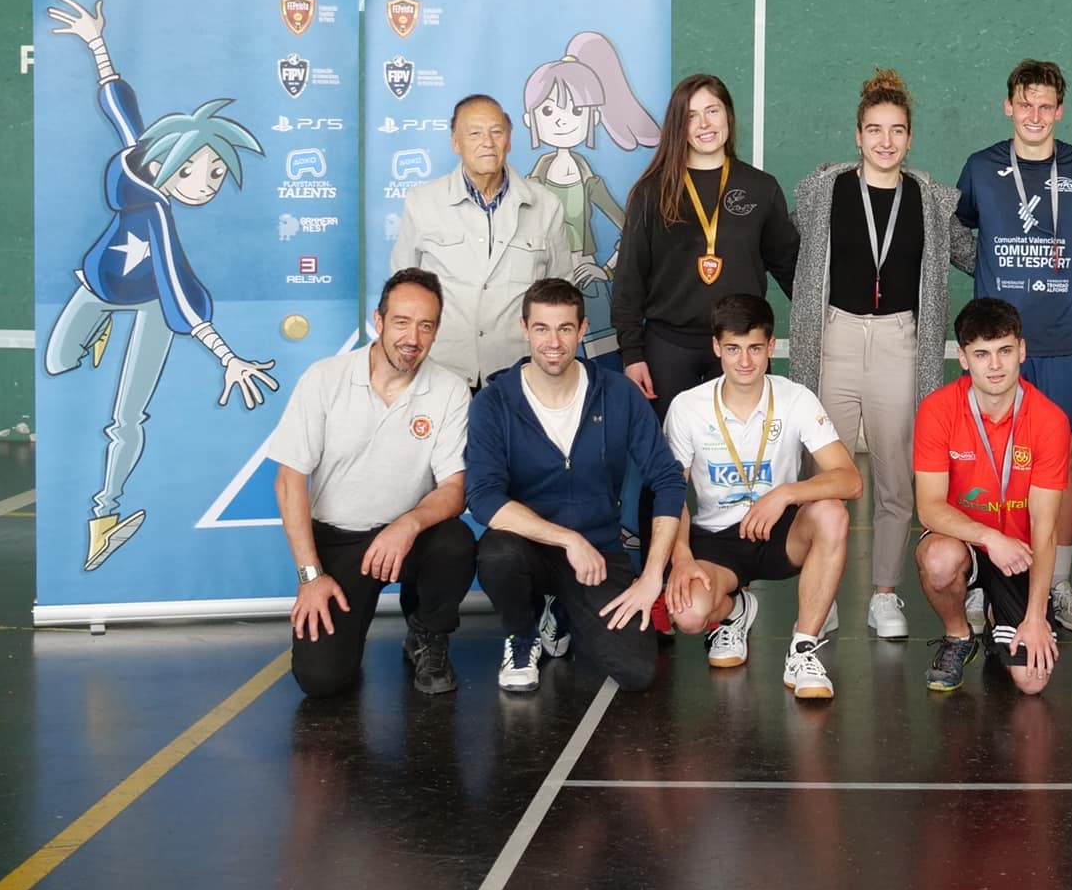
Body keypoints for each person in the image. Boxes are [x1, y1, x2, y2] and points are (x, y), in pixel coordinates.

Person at [42, 0, 277, 571]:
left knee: (127, 417)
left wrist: (226, 356)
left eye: (217, 173)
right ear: (166, 160)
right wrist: (96, 41)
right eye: (196, 169)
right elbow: (119, 102)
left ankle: (106, 513)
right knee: (57, 362)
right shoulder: (136, 159)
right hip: (100, 287)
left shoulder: (162, 222)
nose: (206, 183)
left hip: (153, 309)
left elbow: (177, 291)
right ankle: (101, 329)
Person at [789, 70, 972, 641]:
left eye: (896, 131)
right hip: (835, 338)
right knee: (827, 475)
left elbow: (976, 255)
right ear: (858, 135)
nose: (885, 141)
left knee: (897, 478)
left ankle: (884, 595)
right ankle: (826, 598)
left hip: (900, 342)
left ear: (910, 137)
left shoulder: (932, 200)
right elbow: (788, 246)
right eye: (874, 130)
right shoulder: (824, 192)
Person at [466, 279, 683, 694]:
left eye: (565, 328)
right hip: (528, 547)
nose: (553, 341)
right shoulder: (493, 403)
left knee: (637, 672)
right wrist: (567, 539)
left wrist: (653, 574)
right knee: (497, 552)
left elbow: (668, 480)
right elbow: (484, 497)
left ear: (583, 330)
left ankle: (562, 609)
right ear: (524, 328)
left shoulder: (618, 393)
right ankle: (523, 635)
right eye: (542, 328)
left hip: (598, 552)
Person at [953, 59, 1072, 636]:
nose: (1036, 115)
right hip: (999, 344)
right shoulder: (980, 168)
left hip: (1065, 341)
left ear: (1060, 110)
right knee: (986, 463)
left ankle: (1059, 583)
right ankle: (977, 585)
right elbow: (963, 230)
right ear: (1008, 106)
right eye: (1026, 104)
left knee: (1061, 467)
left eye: (1046, 105)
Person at [272, 269, 477, 698]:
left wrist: (407, 525)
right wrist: (311, 576)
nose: (412, 338)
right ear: (379, 322)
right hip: (339, 542)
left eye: (426, 326)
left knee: (454, 542)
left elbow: (454, 489)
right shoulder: (324, 378)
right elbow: (289, 480)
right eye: (402, 322)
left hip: (407, 538)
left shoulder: (450, 389)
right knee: (322, 681)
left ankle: (426, 634)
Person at [663, 295, 862, 699]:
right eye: (733, 349)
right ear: (717, 347)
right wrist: (681, 556)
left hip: (780, 533)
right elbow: (669, 493)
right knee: (688, 615)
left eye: (755, 348)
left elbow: (850, 479)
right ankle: (735, 612)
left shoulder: (795, 398)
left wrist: (785, 494)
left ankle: (803, 650)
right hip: (716, 539)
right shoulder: (688, 407)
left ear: (771, 347)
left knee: (832, 514)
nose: (745, 362)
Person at [612, 74, 800, 420]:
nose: (704, 124)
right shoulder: (652, 191)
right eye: (691, 116)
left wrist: (830, 320)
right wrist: (632, 353)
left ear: (728, 114)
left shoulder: (761, 188)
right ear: (677, 127)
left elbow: (791, 269)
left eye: (712, 111)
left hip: (739, 347)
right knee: (669, 462)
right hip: (668, 348)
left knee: (742, 454)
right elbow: (629, 279)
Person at [912, 298, 1070, 695]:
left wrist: (1035, 617)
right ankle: (959, 635)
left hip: (1020, 555)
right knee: (939, 559)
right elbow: (929, 507)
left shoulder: (1050, 420)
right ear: (963, 358)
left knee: (1032, 683)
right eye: (982, 354)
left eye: (1004, 351)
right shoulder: (937, 410)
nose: (995, 365)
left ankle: (1002, 609)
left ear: (1022, 350)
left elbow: (1045, 527)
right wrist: (988, 537)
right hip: (967, 542)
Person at [392, 93, 573, 387]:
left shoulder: (546, 205)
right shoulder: (422, 203)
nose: (487, 142)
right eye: (475, 133)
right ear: (455, 143)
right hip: (441, 370)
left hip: (519, 372)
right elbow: (402, 291)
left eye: (496, 132)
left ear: (509, 140)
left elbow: (562, 294)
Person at [518, 33, 663, 365]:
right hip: (540, 289)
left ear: (593, 117)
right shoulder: (530, 184)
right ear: (531, 119)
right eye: (549, 110)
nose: (561, 119)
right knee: (542, 367)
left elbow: (630, 229)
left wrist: (605, 270)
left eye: (574, 109)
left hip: (588, 283)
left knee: (605, 368)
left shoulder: (588, 180)